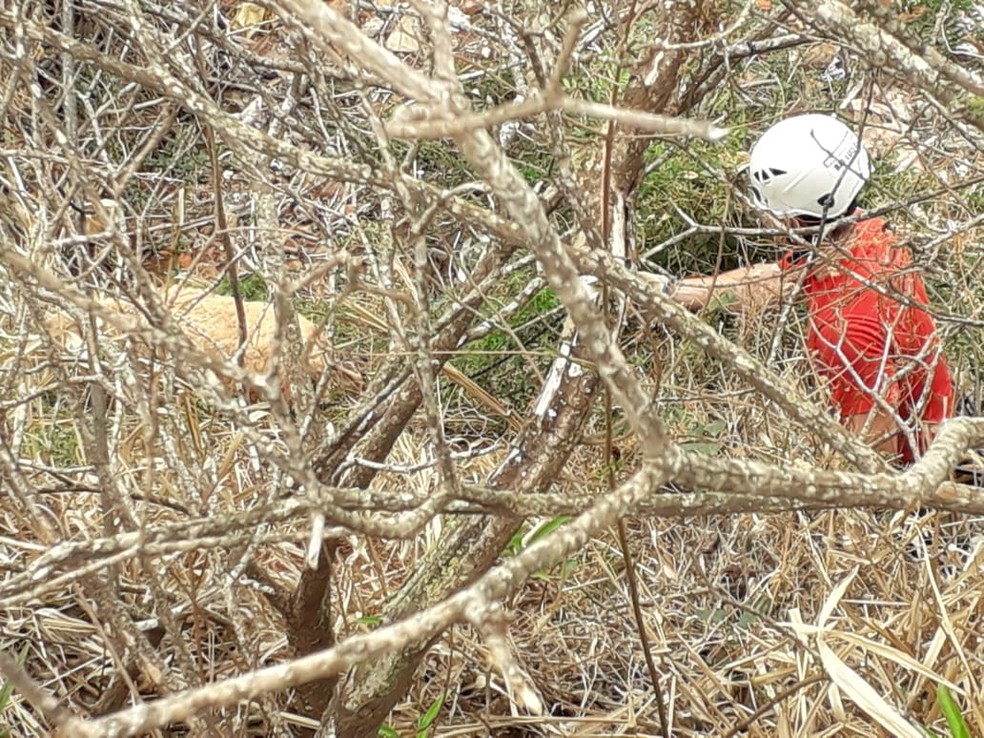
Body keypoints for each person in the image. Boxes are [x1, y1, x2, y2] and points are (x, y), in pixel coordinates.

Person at [663, 113, 955, 466]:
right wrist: (669, 292)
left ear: (792, 220)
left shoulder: (848, 330)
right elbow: (779, 281)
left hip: (922, 471)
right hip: (938, 425)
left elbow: (878, 467)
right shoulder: (863, 232)